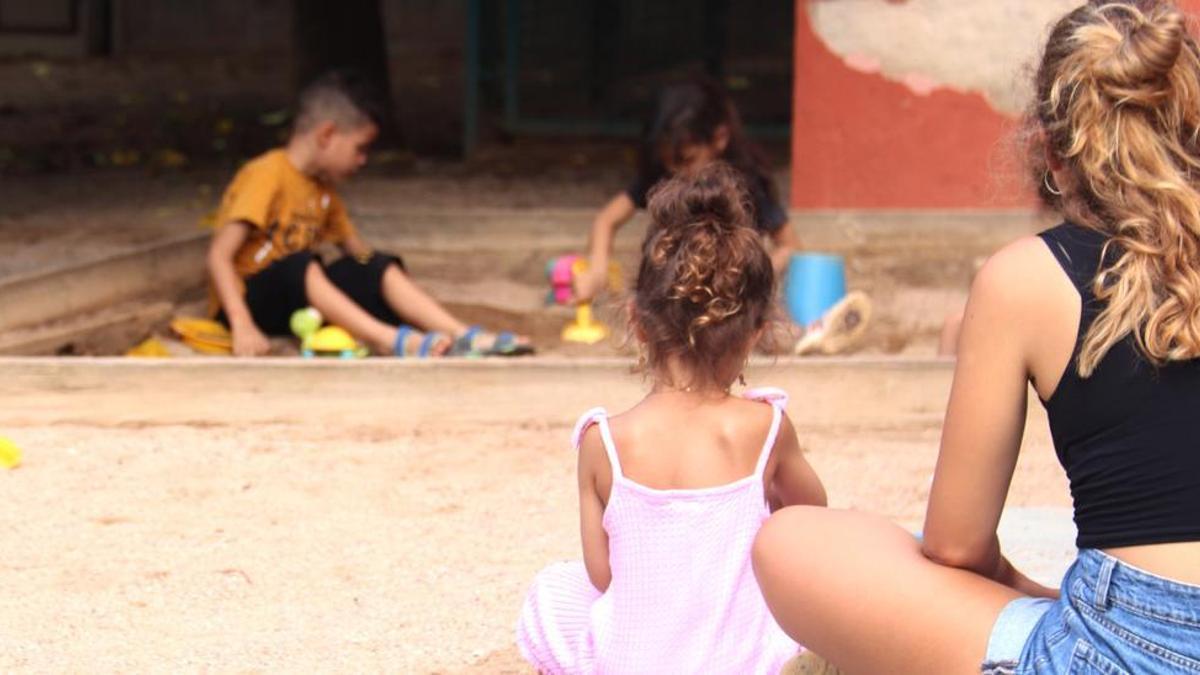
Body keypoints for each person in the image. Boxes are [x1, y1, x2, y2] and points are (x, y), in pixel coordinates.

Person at [752, 1, 1200, 672]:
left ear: (1051, 153)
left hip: (1126, 645)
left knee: (790, 543)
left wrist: (1028, 593)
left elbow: (957, 545)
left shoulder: (1025, 280)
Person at [516, 163, 827, 673]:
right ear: (757, 333)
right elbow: (813, 516)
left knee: (556, 590)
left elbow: (602, 575)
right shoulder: (764, 428)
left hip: (634, 660)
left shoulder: (603, 441)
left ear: (637, 320)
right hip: (741, 661)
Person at [207, 71, 531, 358]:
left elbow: (359, 255)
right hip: (249, 301)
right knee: (300, 266)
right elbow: (220, 256)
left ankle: (461, 334)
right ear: (327, 135)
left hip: (299, 298)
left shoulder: (322, 190)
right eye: (360, 148)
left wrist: (381, 275)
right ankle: (387, 340)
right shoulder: (267, 174)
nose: (363, 160)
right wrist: (241, 324)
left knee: (373, 264)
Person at [572, 77, 869, 356]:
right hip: (683, 289)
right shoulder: (665, 173)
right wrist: (597, 269)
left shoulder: (745, 183)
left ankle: (811, 331)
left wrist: (748, 269)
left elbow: (791, 246)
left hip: (734, 293)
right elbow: (606, 220)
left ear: (720, 138)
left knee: (766, 328)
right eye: (668, 163)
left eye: (687, 161)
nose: (677, 174)